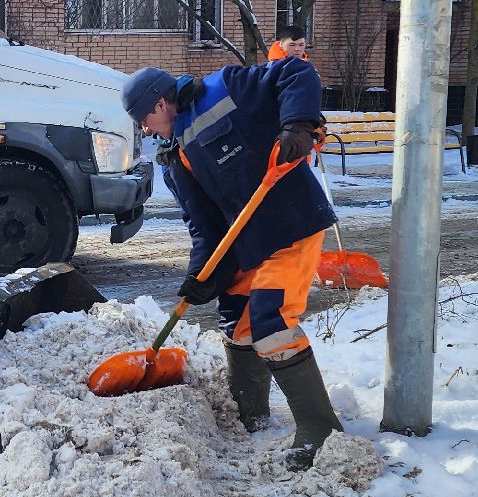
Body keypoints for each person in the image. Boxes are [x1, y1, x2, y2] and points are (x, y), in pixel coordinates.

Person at [122, 57, 343, 470]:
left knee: (270, 321)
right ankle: (250, 413)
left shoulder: (224, 89)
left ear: (159, 105)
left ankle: (320, 430)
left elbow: (295, 72)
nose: (146, 131)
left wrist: (297, 125)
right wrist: (202, 276)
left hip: (289, 224)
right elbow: (205, 229)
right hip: (248, 243)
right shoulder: (173, 161)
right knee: (237, 320)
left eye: (143, 121)